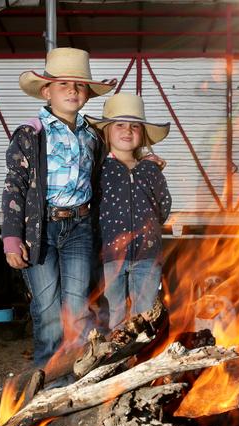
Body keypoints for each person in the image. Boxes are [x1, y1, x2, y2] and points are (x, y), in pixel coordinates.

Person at [1, 47, 116, 367]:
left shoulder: (93, 135)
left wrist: (144, 160)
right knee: (48, 308)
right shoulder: (30, 133)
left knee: (78, 306)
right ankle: (47, 376)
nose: (72, 90)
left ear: (88, 95)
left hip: (79, 226)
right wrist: (12, 237)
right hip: (40, 230)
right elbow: (15, 185)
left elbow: (107, 172)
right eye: (63, 84)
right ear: (46, 90)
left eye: (80, 85)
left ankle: (77, 373)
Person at [86, 93, 172, 329]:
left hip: (147, 255)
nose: (127, 131)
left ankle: (141, 358)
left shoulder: (150, 170)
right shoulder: (100, 169)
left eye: (135, 126)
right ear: (107, 132)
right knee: (112, 310)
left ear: (142, 134)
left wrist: (150, 229)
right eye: (120, 125)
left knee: (144, 312)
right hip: (110, 255)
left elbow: (163, 205)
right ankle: (114, 359)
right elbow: (91, 208)